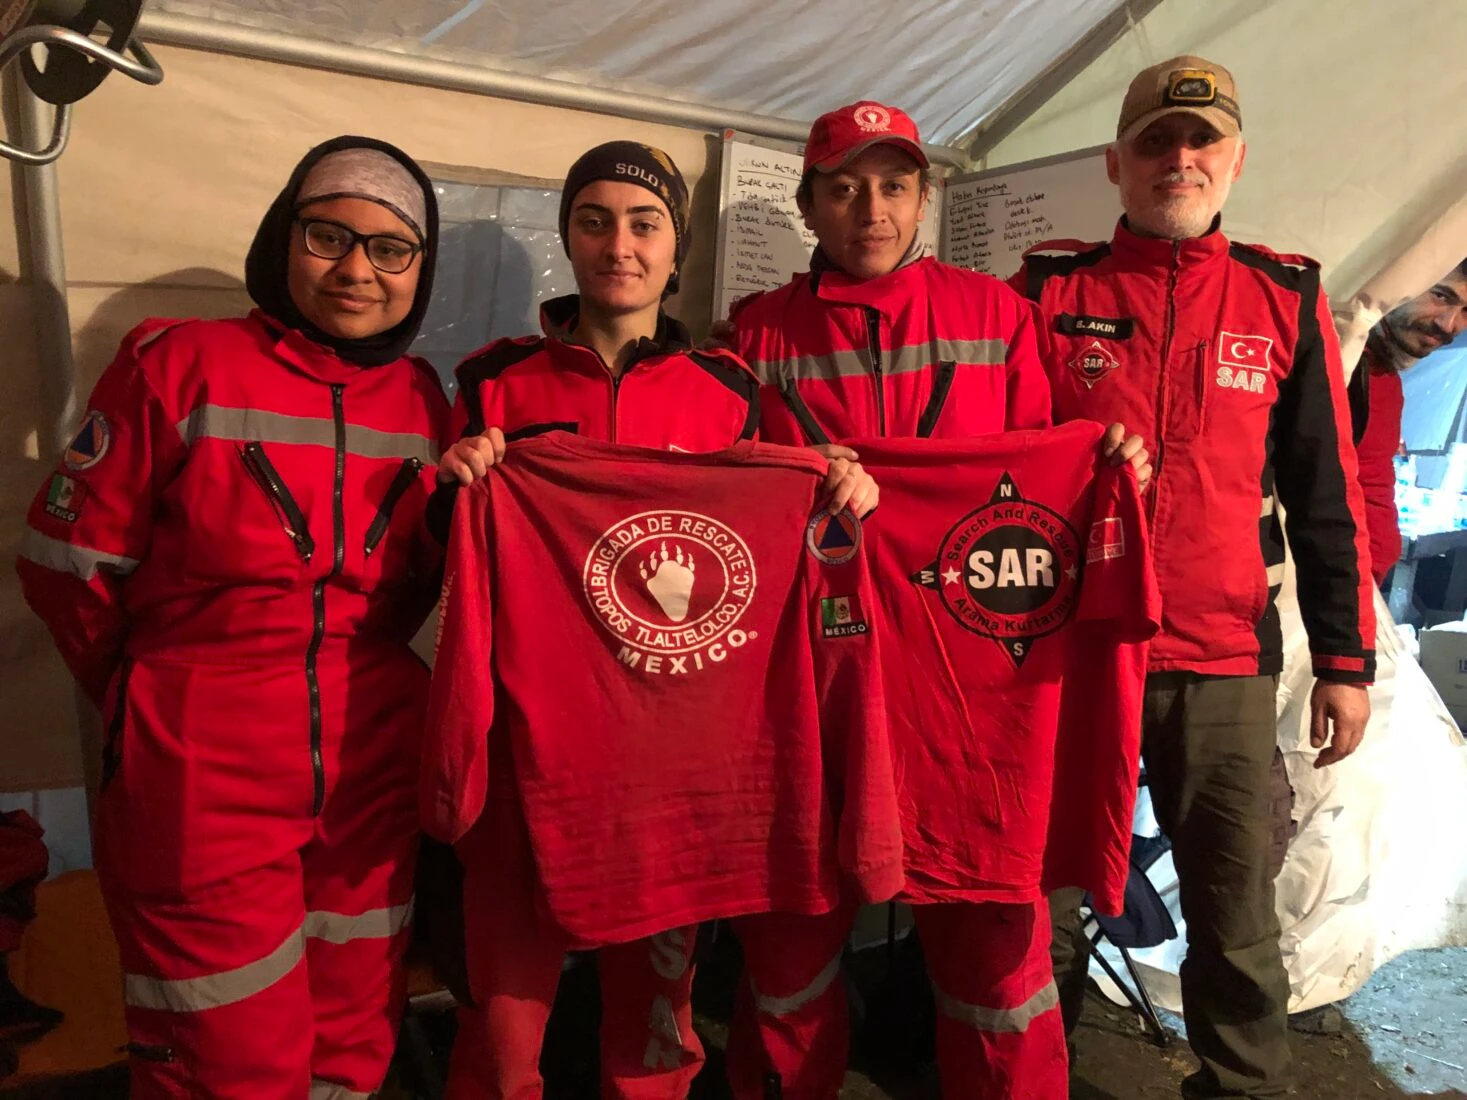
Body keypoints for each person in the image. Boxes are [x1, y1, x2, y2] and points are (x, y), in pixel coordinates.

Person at [428, 140, 878, 1100]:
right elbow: (439, 561)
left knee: (655, 1031)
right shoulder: (490, 380)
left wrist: (832, 484)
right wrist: (455, 486)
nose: (617, 246)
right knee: (502, 1038)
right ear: (568, 238)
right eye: (593, 221)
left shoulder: (726, 390)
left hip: (665, 769)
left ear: (675, 249)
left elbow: (769, 551)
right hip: (524, 748)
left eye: (643, 224)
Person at [722, 100, 1150, 1099]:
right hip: (818, 683)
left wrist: (1107, 455)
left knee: (998, 954)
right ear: (809, 205)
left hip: (974, 691)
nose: (870, 206)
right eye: (843, 186)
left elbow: (1046, 480)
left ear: (923, 194)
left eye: (892, 183)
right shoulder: (757, 335)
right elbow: (727, 487)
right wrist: (787, 468)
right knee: (789, 947)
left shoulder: (999, 316)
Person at [16, 136, 450, 1098]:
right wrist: (153, 692)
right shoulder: (181, 363)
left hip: (372, 754)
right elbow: (64, 565)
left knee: (353, 1028)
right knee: (224, 1049)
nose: (355, 270)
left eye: (391, 249)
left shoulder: (426, 399)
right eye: (328, 234)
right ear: (280, 237)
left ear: (421, 272)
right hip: (200, 756)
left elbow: (418, 577)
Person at [1012, 56, 1376, 1098]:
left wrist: (1344, 660)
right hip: (1066, 652)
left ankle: (1244, 1084)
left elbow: (1326, 493)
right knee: (1036, 897)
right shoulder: (1048, 290)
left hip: (1220, 653)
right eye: (1159, 142)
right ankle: (1026, 1076)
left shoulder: (1283, 295)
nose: (1182, 158)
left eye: (1202, 141)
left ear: (1236, 161)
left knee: (1235, 910)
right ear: (1116, 164)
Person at [1350, 260, 1467, 584]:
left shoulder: (1384, 380)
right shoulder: (1335, 364)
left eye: (1466, 312)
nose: (1449, 325)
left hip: (1356, 587)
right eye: (1441, 296)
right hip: (1318, 591)